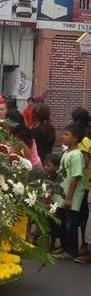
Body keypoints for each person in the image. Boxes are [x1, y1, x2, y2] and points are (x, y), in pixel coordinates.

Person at [56, 123, 86, 259]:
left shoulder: (77, 155)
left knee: (71, 224)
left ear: (75, 138)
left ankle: (71, 250)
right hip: (61, 196)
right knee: (62, 222)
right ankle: (64, 247)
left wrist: (69, 197)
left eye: (67, 134)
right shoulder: (66, 153)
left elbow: (75, 177)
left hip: (71, 197)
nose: (63, 136)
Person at [70, 107, 91, 255]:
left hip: (83, 180)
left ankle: (84, 244)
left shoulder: (83, 139)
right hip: (85, 180)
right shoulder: (86, 135)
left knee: (83, 214)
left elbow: (85, 161)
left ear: (77, 121)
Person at [6, 110, 43, 179]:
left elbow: (27, 157)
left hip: (33, 169)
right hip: (32, 167)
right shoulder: (15, 133)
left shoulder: (19, 138)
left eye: (6, 120)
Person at [43, 154, 62, 251]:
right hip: (45, 203)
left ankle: (52, 244)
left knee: (53, 224)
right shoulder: (45, 176)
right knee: (45, 223)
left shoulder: (59, 177)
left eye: (48, 165)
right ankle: (45, 242)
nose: (45, 167)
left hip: (54, 204)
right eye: (44, 165)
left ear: (56, 167)